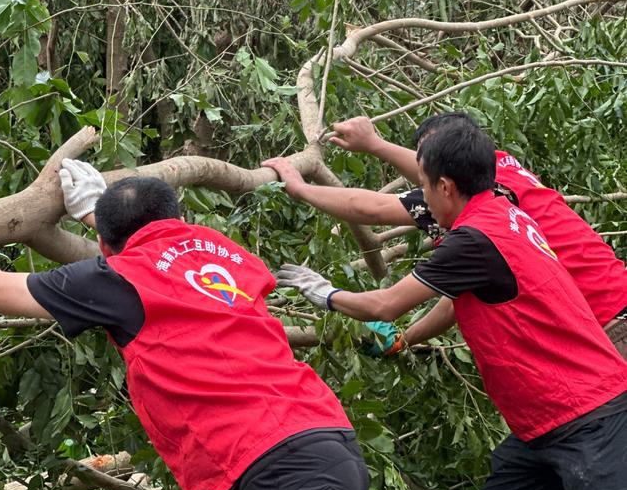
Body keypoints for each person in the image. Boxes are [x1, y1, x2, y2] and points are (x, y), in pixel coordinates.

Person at [0, 160, 383, 490]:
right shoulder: (221, 250)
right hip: (323, 448)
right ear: (178, 214)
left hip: (281, 470)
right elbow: (165, 259)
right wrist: (94, 212)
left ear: (106, 246)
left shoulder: (119, 279)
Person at [274, 123, 627, 490]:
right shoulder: (501, 211)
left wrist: (326, 293)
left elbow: (385, 304)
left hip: (588, 410)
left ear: (444, 186)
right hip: (543, 420)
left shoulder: (475, 239)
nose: (417, 199)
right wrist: (407, 340)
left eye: (421, 185)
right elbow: (454, 300)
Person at [263, 113, 627, 357]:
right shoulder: (480, 207)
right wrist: (406, 339)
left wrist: (304, 188)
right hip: (596, 330)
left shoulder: (491, 197)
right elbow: (456, 297)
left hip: (611, 319)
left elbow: (372, 210)